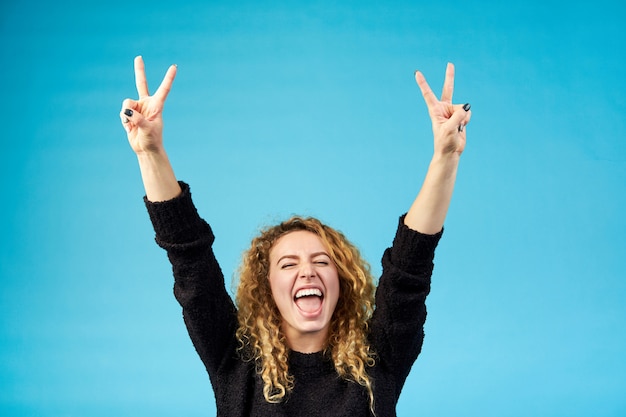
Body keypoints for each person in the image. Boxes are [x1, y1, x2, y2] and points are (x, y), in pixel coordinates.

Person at [120, 56, 471, 417]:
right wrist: (150, 151)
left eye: (322, 261)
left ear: (342, 280)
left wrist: (446, 157)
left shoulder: (380, 357)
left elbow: (408, 270)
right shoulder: (234, 360)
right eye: (288, 264)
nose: (307, 272)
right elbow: (190, 260)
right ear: (266, 287)